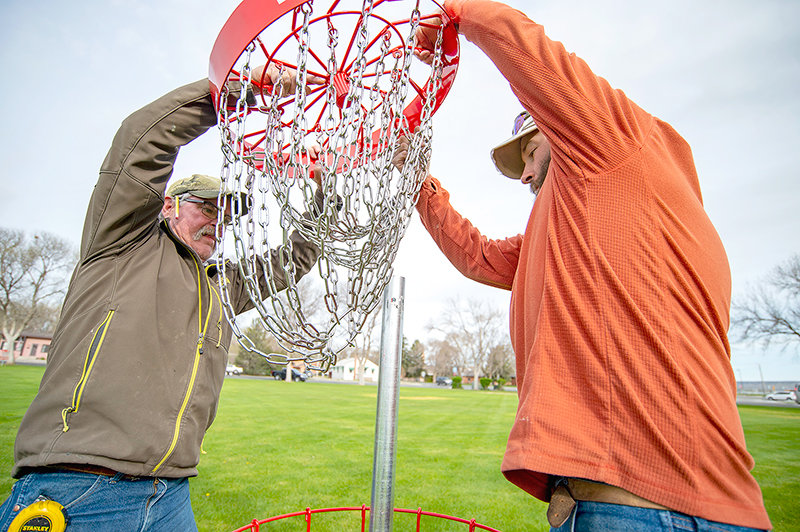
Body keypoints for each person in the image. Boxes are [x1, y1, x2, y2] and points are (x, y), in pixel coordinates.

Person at [399, 1, 772, 530]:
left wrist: (455, 11)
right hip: (666, 509)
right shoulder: (583, 227)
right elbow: (477, 255)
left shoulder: (614, 146)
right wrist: (417, 180)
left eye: (528, 154)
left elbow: (528, 53)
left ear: (558, 127)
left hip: (644, 512)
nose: (525, 176)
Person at [0, 65, 323, 531]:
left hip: (171, 495)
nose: (218, 220)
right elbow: (142, 139)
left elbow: (295, 257)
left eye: (226, 212)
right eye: (205, 207)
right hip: (78, 491)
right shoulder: (123, 241)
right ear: (169, 205)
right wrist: (246, 90)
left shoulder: (222, 285)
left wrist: (323, 189)